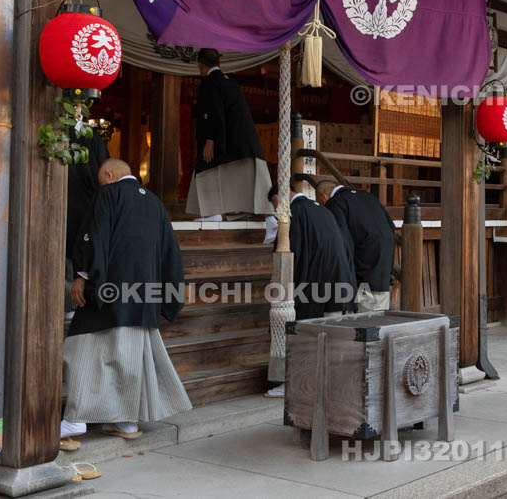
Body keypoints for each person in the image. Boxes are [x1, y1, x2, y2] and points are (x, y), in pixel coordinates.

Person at [60, 159, 191, 445]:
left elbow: (94, 236)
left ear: (109, 174)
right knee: (128, 357)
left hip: (108, 290)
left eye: (101, 180)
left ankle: (75, 420)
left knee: (82, 350)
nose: (100, 185)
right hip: (144, 295)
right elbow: (171, 251)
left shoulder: (108, 195)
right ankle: (126, 422)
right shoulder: (156, 203)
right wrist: (169, 296)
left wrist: (83, 276)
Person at [263, 185, 357, 398]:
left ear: (279, 197)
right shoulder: (322, 210)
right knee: (328, 337)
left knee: (293, 329)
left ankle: (290, 382)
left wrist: (277, 282)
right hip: (339, 282)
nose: (276, 210)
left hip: (314, 284)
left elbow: (287, 251)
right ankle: (327, 381)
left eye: (274, 204)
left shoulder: (294, 213)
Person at [186, 48, 272, 221]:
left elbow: (213, 112)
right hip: (243, 140)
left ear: (201, 66)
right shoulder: (231, 82)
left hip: (224, 137)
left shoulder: (210, 83)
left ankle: (213, 212)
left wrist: (210, 139)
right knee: (247, 177)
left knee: (208, 169)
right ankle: (267, 215)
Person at [317, 177, 396, 312]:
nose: (322, 204)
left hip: (363, 263)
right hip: (385, 260)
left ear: (324, 194)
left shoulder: (335, 203)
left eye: (320, 200)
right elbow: (391, 226)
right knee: (379, 312)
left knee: (364, 319)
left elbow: (342, 241)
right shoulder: (367, 196)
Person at [65, 128, 111, 320]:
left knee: (68, 255)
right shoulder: (92, 137)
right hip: (88, 203)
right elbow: (106, 169)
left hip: (69, 201)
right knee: (84, 251)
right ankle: (80, 303)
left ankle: (70, 304)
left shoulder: (59, 132)